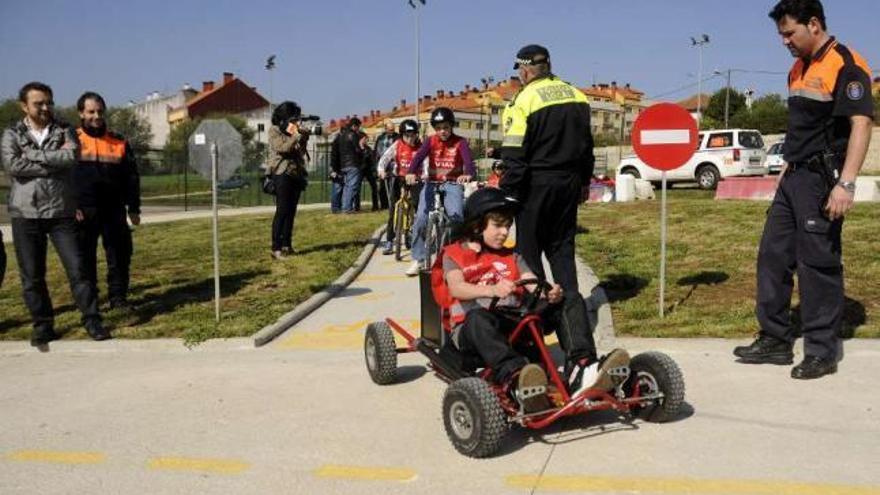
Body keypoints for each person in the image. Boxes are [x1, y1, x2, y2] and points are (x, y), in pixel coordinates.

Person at [734, 0, 874, 379]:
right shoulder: (797, 68)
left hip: (822, 180)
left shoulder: (846, 64)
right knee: (773, 257)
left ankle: (821, 351)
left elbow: (861, 125)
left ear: (814, 24)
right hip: (792, 176)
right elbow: (801, 130)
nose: (784, 41)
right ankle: (775, 340)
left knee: (817, 264)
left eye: (789, 33)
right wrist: (785, 169)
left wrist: (846, 183)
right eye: (780, 35)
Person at [440, 188, 629, 413]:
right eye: (498, 226)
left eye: (507, 226)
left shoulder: (511, 256)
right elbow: (457, 287)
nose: (504, 232)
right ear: (477, 225)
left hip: (513, 322)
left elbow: (531, 281)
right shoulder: (454, 254)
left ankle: (582, 366)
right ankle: (516, 377)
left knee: (570, 298)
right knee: (478, 318)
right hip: (471, 331)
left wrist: (549, 293)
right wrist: (491, 290)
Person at [497, 44, 601, 391]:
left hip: (535, 185)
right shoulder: (576, 95)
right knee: (563, 258)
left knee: (529, 263)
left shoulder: (523, 100)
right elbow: (587, 147)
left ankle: (538, 348)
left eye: (519, 71)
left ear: (526, 70)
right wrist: (584, 182)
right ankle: (581, 354)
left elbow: (514, 155)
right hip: (569, 184)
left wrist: (509, 197)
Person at [1, 82, 109, 346]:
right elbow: (13, 165)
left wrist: (32, 157)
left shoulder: (65, 129)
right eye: (39, 103)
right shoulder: (11, 133)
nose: (45, 107)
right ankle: (43, 325)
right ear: (24, 106)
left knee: (78, 269)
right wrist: (51, 162)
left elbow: (71, 156)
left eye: (49, 102)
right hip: (26, 213)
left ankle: (92, 319)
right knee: (32, 276)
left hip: (62, 211)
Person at [73, 92, 141, 309]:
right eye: (91, 111)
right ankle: (91, 300)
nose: (96, 116)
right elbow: (63, 177)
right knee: (85, 258)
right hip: (84, 210)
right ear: (81, 113)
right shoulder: (70, 141)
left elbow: (132, 177)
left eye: (100, 111)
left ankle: (118, 298)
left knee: (120, 256)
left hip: (114, 209)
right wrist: (70, 205)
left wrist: (134, 207)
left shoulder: (119, 141)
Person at [404, 107, 475, 276]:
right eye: (439, 128)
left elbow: (469, 163)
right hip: (431, 183)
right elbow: (418, 157)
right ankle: (419, 258)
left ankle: (455, 256)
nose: (442, 131)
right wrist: (411, 172)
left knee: (456, 216)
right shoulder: (430, 141)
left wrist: (468, 174)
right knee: (421, 218)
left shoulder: (461, 142)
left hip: (452, 183)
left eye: (446, 127)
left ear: (451, 126)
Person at [267, 101, 309, 260]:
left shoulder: (293, 131)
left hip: (296, 173)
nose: (296, 121)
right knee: (282, 210)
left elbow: (301, 153)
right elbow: (282, 148)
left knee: (291, 211)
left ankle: (287, 244)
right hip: (282, 173)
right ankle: (276, 248)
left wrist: (303, 138)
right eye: (294, 117)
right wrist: (295, 136)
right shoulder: (274, 130)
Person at [377, 119, 421, 255]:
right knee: (392, 210)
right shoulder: (397, 145)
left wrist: (424, 175)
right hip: (398, 178)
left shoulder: (421, 147)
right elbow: (384, 158)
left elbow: (426, 163)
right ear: (401, 135)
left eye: (413, 134)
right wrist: (381, 170)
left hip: (415, 179)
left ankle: (414, 232)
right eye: (407, 135)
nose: (410, 138)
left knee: (417, 206)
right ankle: (390, 240)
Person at [335, 118, 366, 213]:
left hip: (343, 164)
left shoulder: (342, 135)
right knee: (352, 187)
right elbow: (357, 150)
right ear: (354, 126)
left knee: (346, 187)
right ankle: (347, 208)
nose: (358, 129)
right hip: (353, 163)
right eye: (358, 127)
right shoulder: (353, 135)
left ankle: (345, 207)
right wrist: (362, 146)